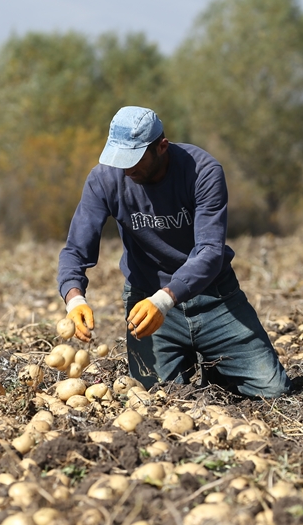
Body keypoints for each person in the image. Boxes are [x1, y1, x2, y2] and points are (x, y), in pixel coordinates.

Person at [57, 106, 291, 398]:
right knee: (157, 397)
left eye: (134, 159)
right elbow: (75, 250)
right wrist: (74, 298)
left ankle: (214, 361)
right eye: (119, 158)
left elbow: (209, 252)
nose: (126, 169)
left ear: (161, 147)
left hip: (214, 297)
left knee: (274, 389)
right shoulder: (104, 179)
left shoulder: (203, 172)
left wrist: (165, 300)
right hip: (146, 301)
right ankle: (187, 356)